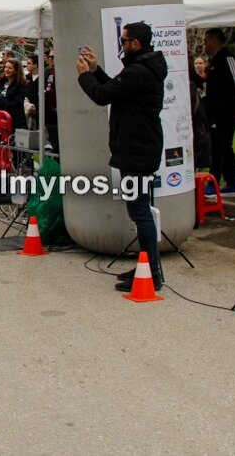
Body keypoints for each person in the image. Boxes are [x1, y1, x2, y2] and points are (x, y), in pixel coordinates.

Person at [76, 22, 167, 291]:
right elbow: (116, 90)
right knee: (138, 210)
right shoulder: (140, 69)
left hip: (137, 150)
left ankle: (151, 272)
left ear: (135, 43)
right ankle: (146, 266)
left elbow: (102, 95)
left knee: (140, 211)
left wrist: (84, 76)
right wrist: (96, 70)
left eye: (124, 40)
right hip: (138, 147)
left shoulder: (139, 71)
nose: (122, 44)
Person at [198, 28, 235, 195]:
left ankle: (217, 182)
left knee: (221, 146)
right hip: (215, 113)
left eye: (206, 41)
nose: (204, 45)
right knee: (221, 146)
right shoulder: (214, 62)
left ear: (214, 41)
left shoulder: (228, 59)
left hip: (228, 112)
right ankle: (230, 183)